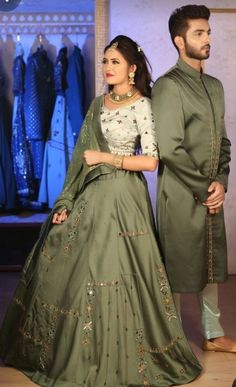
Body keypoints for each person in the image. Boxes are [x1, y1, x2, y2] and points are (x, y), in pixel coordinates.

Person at [0, 35, 202, 386]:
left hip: (125, 198)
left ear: (133, 68)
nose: (108, 67)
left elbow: (152, 161)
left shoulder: (142, 105)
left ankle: (121, 351)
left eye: (115, 62)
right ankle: (81, 351)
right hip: (92, 193)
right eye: (105, 61)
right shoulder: (97, 104)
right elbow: (80, 158)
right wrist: (65, 201)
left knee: (117, 269)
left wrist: (108, 157)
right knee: (71, 261)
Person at [152, 5, 235, 353]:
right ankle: (166, 339)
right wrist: (205, 188)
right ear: (179, 41)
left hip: (209, 192)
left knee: (211, 264)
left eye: (209, 32)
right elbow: (170, 149)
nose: (207, 38)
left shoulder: (214, 86)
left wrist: (221, 182)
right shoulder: (169, 86)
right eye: (199, 33)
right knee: (176, 264)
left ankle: (213, 334)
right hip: (182, 195)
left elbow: (224, 141)